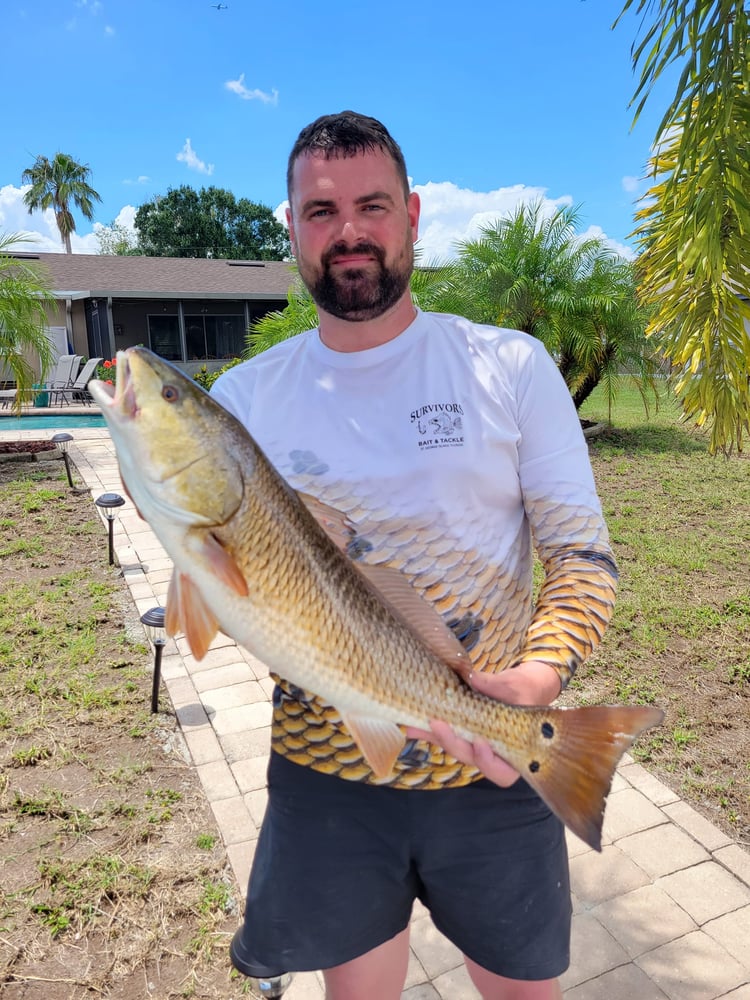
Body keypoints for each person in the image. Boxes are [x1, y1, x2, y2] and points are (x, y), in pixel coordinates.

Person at [211, 111, 618, 1000]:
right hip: (328, 780)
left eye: (372, 205)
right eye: (320, 211)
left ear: (414, 214)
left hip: (497, 764)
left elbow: (584, 557)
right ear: (290, 226)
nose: (348, 231)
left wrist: (538, 684)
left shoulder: (507, 367)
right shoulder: (242, 401)